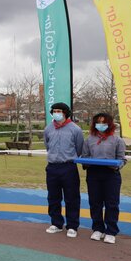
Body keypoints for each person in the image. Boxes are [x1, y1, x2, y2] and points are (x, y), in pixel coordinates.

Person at [81, 112, 126, 244]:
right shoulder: (89, 139)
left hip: (111, 174)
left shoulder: (117, 140)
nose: (101, 125)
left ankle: (111, 231)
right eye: (98, 122)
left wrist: (116, 166)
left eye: (104, 122)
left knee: (112, 203)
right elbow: (84, 156)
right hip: (93, 174)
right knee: (95, 202)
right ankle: (97, 229)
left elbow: (122, 159)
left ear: (109, 124)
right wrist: (86, 163)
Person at [43, 102, 84, 238]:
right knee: (53, 197)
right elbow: (47, 146)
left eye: (59, 111)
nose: (56, 113)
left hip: (69, 167)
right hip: (52, 167)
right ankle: (56, 223)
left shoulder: (75, 129)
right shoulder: (48, 128)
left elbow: (79, 148)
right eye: (54, 111)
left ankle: (72, 226)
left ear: (65, 113)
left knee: (72, 198)